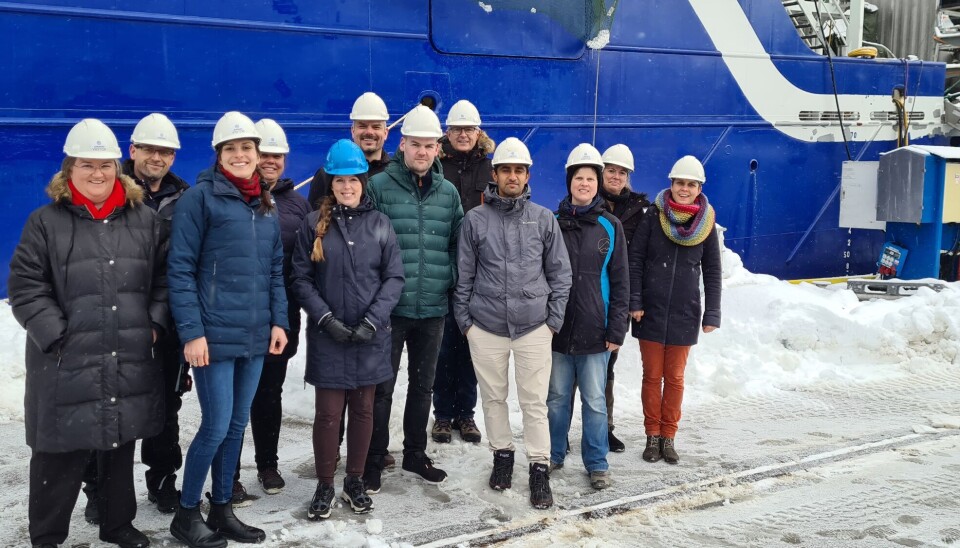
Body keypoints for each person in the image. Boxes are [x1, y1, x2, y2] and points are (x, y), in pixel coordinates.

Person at [9, 118, 167, 548]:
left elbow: (164, 280)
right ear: (69, 170)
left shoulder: (144, 221)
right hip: (66, 357)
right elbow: (25, 286)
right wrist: (57, 335)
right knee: (60, 450)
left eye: (105, 164)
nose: (97, 173)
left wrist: (152, 325)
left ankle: (117, 525)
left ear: (118, 168)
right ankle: (46, 535)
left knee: (119, 442)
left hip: (127, 349)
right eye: (86, 165)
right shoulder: (45, 222)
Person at [167, 111, 289, 548]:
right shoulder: (199, 199)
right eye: (231, 149)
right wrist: (192, 333)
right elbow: (180, 269)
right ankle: (186, 514)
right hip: (213, 336)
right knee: (216, 426)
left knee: (238, 425)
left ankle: (221, 509)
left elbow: (275, 269)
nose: (240, 155)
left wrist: (279, 320)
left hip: (255, 335)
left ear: (258, 155)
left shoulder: (265, 204)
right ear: (219, 155)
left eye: (247, 148)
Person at [454, 137, 572, 509]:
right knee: (493, 398)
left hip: (534, 328)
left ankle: (539, 468)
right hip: (486, 328)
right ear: (495, 174)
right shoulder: (475, 220)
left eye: (519, 170)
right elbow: (463, 276)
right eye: (506, 169)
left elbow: (560, 275)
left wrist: (552, 322)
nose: (512, 176)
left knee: (535, 403)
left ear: (527, 175)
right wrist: (466, 324)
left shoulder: (543, 219)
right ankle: (502, 457)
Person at [291, 139, 404, 520]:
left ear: (362, 181)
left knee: (363, 411)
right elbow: (302, 279)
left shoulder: (380, 224)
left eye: (353, 180)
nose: (347, 187)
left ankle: (353, 479)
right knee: (327, 414)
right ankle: (325, 483)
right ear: (331, 183)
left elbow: (394, 278)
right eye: (339, 181)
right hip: (329, 337)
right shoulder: (312, 226)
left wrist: (372, 320)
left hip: (370, 336)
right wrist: (326, 320)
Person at [363, 105, 464, 493]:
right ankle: (374, 459)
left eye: (429, 146)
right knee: (382, 388)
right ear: (402, 144)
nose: (422, 152)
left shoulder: (448, 193)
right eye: (416, 144)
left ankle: (415, 453)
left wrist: (448, 279)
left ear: (438, 149)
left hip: (433, 309)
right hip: (391, 311)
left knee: (423, 387)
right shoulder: (379, 187)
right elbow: (369, 246)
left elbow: (458, 245)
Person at [230, 119, 311, 504]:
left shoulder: (297, 203)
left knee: (269, 394)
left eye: (277, 155)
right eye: (265, 154)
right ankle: (228, 473)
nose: (271, 161)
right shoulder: (235, 197)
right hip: (239, 316)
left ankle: (267, 464)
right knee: (233, 401)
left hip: (282, 317)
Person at [547, 143, 629, 491]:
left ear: (598, 184)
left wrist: (616, 329)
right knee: (556, 399)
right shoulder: (551, 223)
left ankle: (596, 463)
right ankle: (553, 453)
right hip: (558, 329)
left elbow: (622, 280)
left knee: (595, 402)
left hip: (597, 332)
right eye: (578, 177)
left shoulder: (610, 226)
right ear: (569, 182)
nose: (584, 184)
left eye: (590, 179)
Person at [629, 155, 721, 465]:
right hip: (651, 311)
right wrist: (635, 301)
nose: (684, 189)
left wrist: (712, 313)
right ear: (671, 184)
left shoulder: (706, 222)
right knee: (652, 376)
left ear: (699, 188)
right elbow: (636, 260)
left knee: (676, 378)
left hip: (685, 312)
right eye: (680, 183)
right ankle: (651, 436)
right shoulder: (652, 216)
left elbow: (712, 270)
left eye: (691, 184)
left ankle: (669, 437)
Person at [128, 113, 192, 513]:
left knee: (165, 409)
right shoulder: (108, 188)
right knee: (108, 408)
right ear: (132, 150)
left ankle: (163, 479)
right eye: (150, 149)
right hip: (115, 317)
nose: (158, 157)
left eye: (166, 151)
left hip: (166, 324)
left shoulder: (183, 198)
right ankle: (100, 488)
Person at [431, 99, 495, 445]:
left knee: (472, 346)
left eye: (469, 129)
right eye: (457, 129)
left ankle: (466, 415)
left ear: (478, 132)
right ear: (447, 132)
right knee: (443, 347)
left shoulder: (491, 170)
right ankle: (442, 414)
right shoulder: (436, 166)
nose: (463, 134)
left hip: (480, 272)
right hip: (444, 266)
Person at [595, 144, 649, 453]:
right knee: (574, 365)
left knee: (607, 366)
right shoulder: (588, 200)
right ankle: (561, 428)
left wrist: (634, 300)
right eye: (611, 170)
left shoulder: (638, 212)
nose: (616, 176)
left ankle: (605, 428)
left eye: (621, 172)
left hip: (617, 299)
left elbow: (641, 258)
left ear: (628, 176)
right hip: (587, 294)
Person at [307, 92, 392, 209]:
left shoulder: (395, 175)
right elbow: (313, 220)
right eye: (362, 126)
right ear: (353, 130)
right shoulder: (326, 175)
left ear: (386, 132)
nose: (369, 132)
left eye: (376, 127)